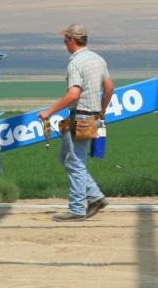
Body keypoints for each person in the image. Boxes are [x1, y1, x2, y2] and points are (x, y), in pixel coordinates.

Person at [38, 23, 114, 221]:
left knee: (75, 162)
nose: (64, 43)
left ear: (71, 40)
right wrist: (102, 111)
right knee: (67, 158)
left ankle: (77, 208)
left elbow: (73, 94)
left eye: (65, 40)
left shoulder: (75, 63)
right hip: (92, 117)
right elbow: (109, 88)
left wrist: (49, 112)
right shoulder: (98, 59)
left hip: (79, 117)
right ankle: (95, 197)